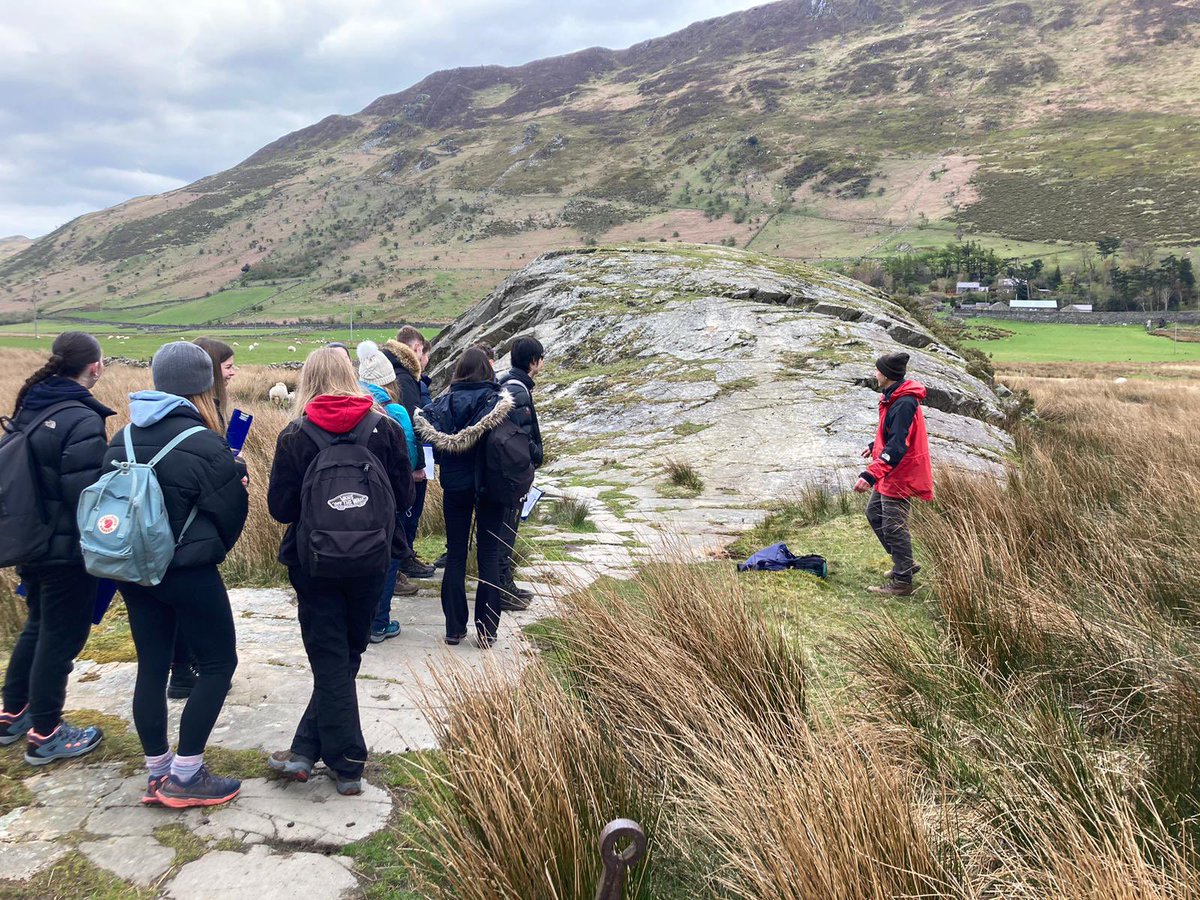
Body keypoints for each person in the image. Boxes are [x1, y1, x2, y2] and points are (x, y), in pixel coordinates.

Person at [104, 341, 249, 807]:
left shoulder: (121, 436)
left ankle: (158, 772)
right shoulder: (204, 441)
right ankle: (187, 775)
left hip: (133, 569)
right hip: (186, 571)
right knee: (218, 663)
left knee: (151, 664)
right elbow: (230, 516)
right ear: (204, 384)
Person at [266, 348, 413, 795]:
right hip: (371, 562)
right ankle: (306, 749)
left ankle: (348, 763)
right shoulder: (383, 428)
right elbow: (404, 496)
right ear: (351, 376)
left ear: (307, 379)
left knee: (331, 657)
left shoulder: (295, 435)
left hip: (313, 563)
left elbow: (281, 508)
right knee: (346, 655)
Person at [0, 332, 113, 764]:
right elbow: (85, 494)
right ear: (95, 367)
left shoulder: (33, 403)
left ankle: (13, 713)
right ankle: (46, 731)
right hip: (67, 548)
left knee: (38, 624)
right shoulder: (80, 418)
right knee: (61, 637)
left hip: (31, 537)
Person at [416, 348, 514, 648]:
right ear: (488, 370)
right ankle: (487, 632)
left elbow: (425, 436)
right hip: (491, 485)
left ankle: (454, 629)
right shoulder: (499, 403)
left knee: (456, 554)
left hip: (456, 486)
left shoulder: (443, 404)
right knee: (488, 555)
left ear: (458, 371)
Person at [165, 337, 238, 702]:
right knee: (214, 644)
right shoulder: (199, 420)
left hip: (166, 539)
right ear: (207, 372)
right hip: (189, 537)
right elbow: (211, 488)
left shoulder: (144, 425)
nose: (233, 372)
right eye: (226, 366)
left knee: (176, 609)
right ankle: (192, 670)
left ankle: (182, 667)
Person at [853, 352, 934, 597]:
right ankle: (904, 563)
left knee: (893, 526)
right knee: (874, 513)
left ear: (886, 375)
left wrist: (869, 476)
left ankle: (902, 582)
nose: (875, 373)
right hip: (892, 470)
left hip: (901, 473)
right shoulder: (894, 397)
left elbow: (899, 446)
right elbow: (894, 434)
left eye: (877, 370)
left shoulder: (904, 402)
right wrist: (874, 445)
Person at [356, 340, 422, 642]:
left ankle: (358, 619)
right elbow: (406, 457)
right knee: (388, 558)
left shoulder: (348, 407)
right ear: (389, 381)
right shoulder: (394, 412)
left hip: (353, 498)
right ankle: (379, 622)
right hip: (387, 500)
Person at [496, 336, 546, 611]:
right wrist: (536, 454)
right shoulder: (519, 391)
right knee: (506, 530)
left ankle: (506, 581)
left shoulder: (508, 384)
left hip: (505, 474)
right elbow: (520, 436)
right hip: (513, 475)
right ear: (533, 361)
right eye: (540, 359)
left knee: (506, 529)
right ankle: (502, 588)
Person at [380, 326, 433, 585]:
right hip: (404, 461)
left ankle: (401, 562)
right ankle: (400, 565)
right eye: (423, 352)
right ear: (416, 349)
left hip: (389, 458)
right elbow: (413, 425)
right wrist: (418, 464)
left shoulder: (392, 372)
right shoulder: (405, 377)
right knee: (406, 511)